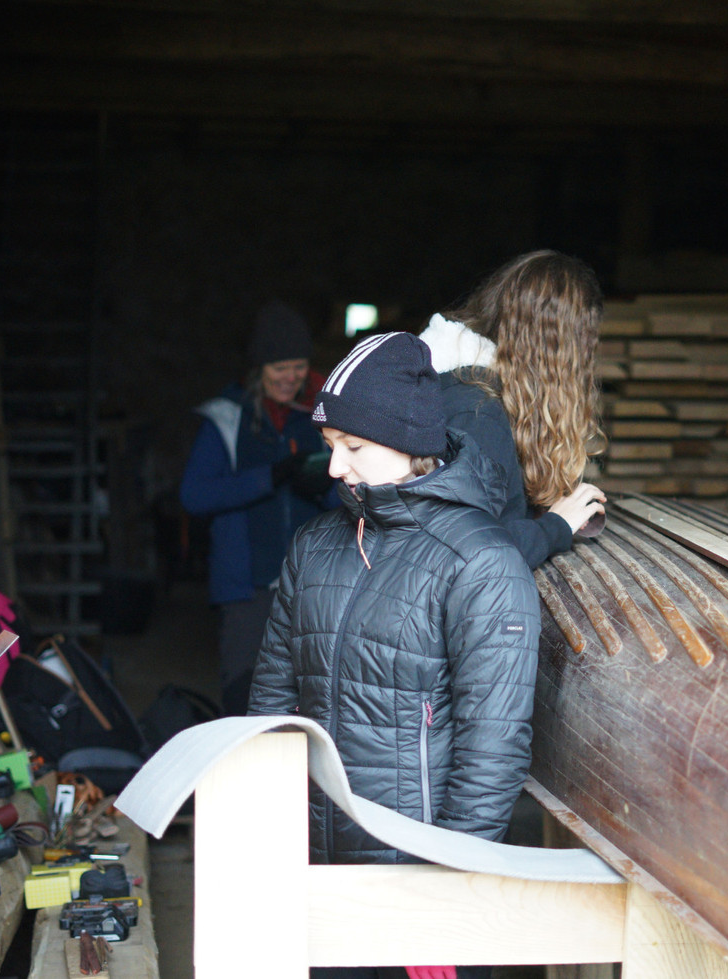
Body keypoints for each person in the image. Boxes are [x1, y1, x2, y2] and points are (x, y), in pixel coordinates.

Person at [248, 332, 539, 979]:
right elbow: (269, 707)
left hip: (419, 887)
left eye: (353, 448)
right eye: (329, 447)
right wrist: (269, 843)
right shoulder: (316, 545)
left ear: (413, 447)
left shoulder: (482, 564)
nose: (334, 468)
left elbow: (492, 755)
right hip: (319, 873)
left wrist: (439, 899)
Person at [180, 301, 335, 715]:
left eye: (299, 366)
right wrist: (271, 477)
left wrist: (323, 485)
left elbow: (348, 500)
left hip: (312, 586)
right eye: (279, 367)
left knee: (313, 701)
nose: (291, 377)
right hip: (247, 591)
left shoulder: (321, 418)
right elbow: (194, 496)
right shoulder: (226, 420)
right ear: (257, 368)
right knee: (243, 699)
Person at [418, 250, 607, 569]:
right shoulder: (476, 412)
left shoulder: (464, 389)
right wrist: (555, 527)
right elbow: (468, 556)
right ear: (560, 349)